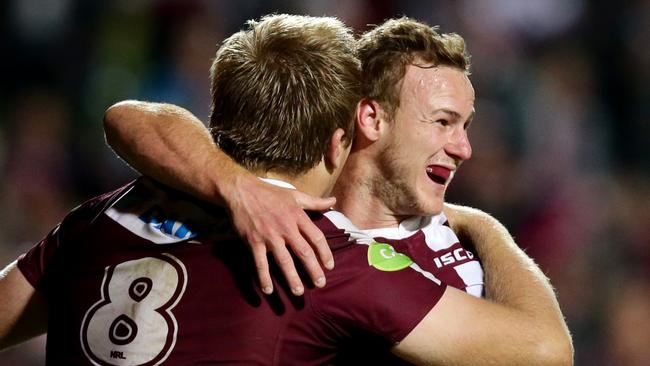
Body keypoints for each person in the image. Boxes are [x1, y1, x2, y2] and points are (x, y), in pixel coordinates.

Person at [102, 17, 573, 365]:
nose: (465, 148)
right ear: (370, 118)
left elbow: (548, 352)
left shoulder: (459, 262)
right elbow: (128, 118)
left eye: (465, 126)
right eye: (444, 122)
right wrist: (238, 187)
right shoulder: (264, 212)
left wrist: (484, 225)